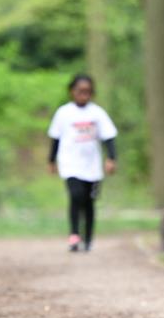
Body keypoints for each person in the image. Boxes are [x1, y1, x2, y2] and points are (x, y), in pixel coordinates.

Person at [48, 75, 117, 252]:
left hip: (92, 166)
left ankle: (88, 238)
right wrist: (51, 160)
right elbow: (55, 138)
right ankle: (74, 235)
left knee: (89, 202)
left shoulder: (97, 113)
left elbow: (108, 137)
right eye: (80, 91)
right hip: (70, 163)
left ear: (92, 93)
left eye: (87, 92)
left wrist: (111, 158)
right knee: (76, 196)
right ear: (72, 92)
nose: (83, 95)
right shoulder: (64, 113)